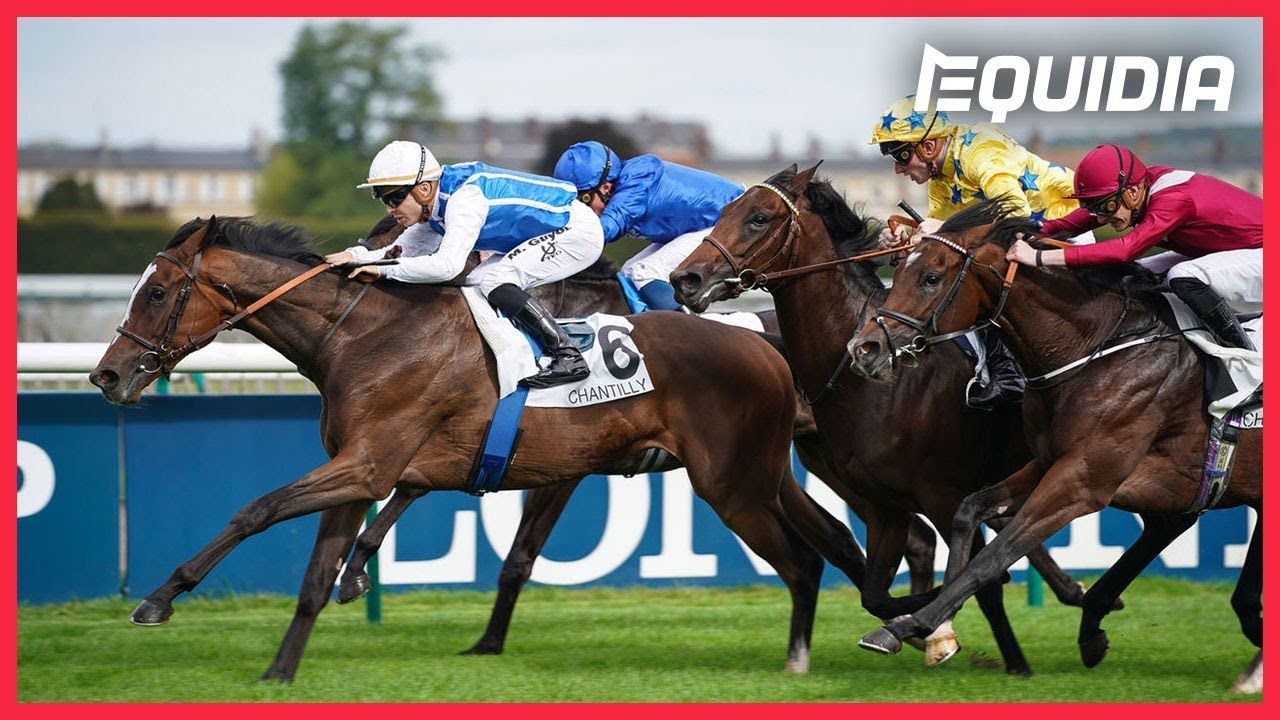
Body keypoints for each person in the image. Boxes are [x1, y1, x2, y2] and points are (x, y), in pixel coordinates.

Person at [325, 140, 605, 388]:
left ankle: (567, 355)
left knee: (495, 280)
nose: (389, 209)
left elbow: (447, 266)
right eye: (383, 199)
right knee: (476, 282)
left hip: (576, 232)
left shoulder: (464, 200)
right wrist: (354, 255)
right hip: (557, 230)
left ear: (424, 189)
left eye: (394, 197)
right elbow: (399, 251)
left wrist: (382, 271)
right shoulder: (435, 205)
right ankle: (518, 355)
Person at [870, 96, 1079, 409]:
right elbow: (942, 240)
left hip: (1066, 225)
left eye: (901, 155)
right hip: (1022, 239)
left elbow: (1016, 215)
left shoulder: (980, 150)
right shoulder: (940, 175)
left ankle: (1009, 372)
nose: (898, 169)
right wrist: (908, 239)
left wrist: (941, 227)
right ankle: (1002, 372)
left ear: (929, 146)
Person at [1007, 143, 1262, 350]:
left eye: (1106, 206)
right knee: (1133, 274)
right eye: (1095, 208)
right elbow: (1078, 220)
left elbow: (1124, 250)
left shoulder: (1174, 199)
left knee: (1182, 276)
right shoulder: (1139, 187)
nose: (1102, 218)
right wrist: (1035, 230)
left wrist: (1039, 257)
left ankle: (1245, 356)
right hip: (1235, 252)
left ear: (1133, 192)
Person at [553, 141, 743, 311]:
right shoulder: (625, 183)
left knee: (644, 272)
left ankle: (694, 333)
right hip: (712, 223)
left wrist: (555, 243)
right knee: (629, 272)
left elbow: (605, 228)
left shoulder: (637, 180)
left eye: (584, 200)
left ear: (605, 187)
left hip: (735, 220)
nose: (582, 209)